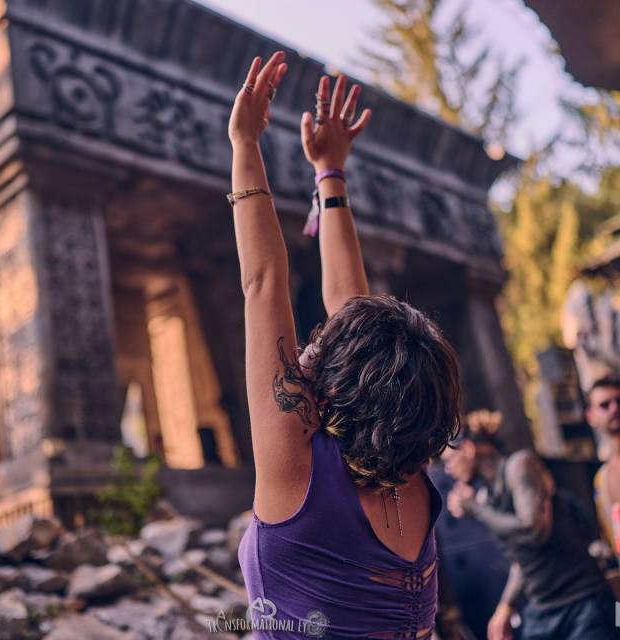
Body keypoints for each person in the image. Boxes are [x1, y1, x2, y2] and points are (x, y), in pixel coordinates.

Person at [228, 50, 462, 639]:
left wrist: (244, 144)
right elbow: (352, 307)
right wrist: (329, 174)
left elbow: (264, 285)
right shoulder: (409, 466)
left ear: (339, 387)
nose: (309, 346)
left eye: (320, 344)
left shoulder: (298, 473)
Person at [442, 414, 617, 640]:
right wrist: (506, 605)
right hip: (542, 610)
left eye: (449, 460)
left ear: (468, 449)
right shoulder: (487, 496)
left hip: (583, 604)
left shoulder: (519, 466)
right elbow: (522, 559)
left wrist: (475, 509)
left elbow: (534, 531)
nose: (448, 469)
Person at [586, 376, 620, 564]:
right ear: (591, 417)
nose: (614, 408)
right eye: (604, 405)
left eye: (619, 401)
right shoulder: (601, 479)